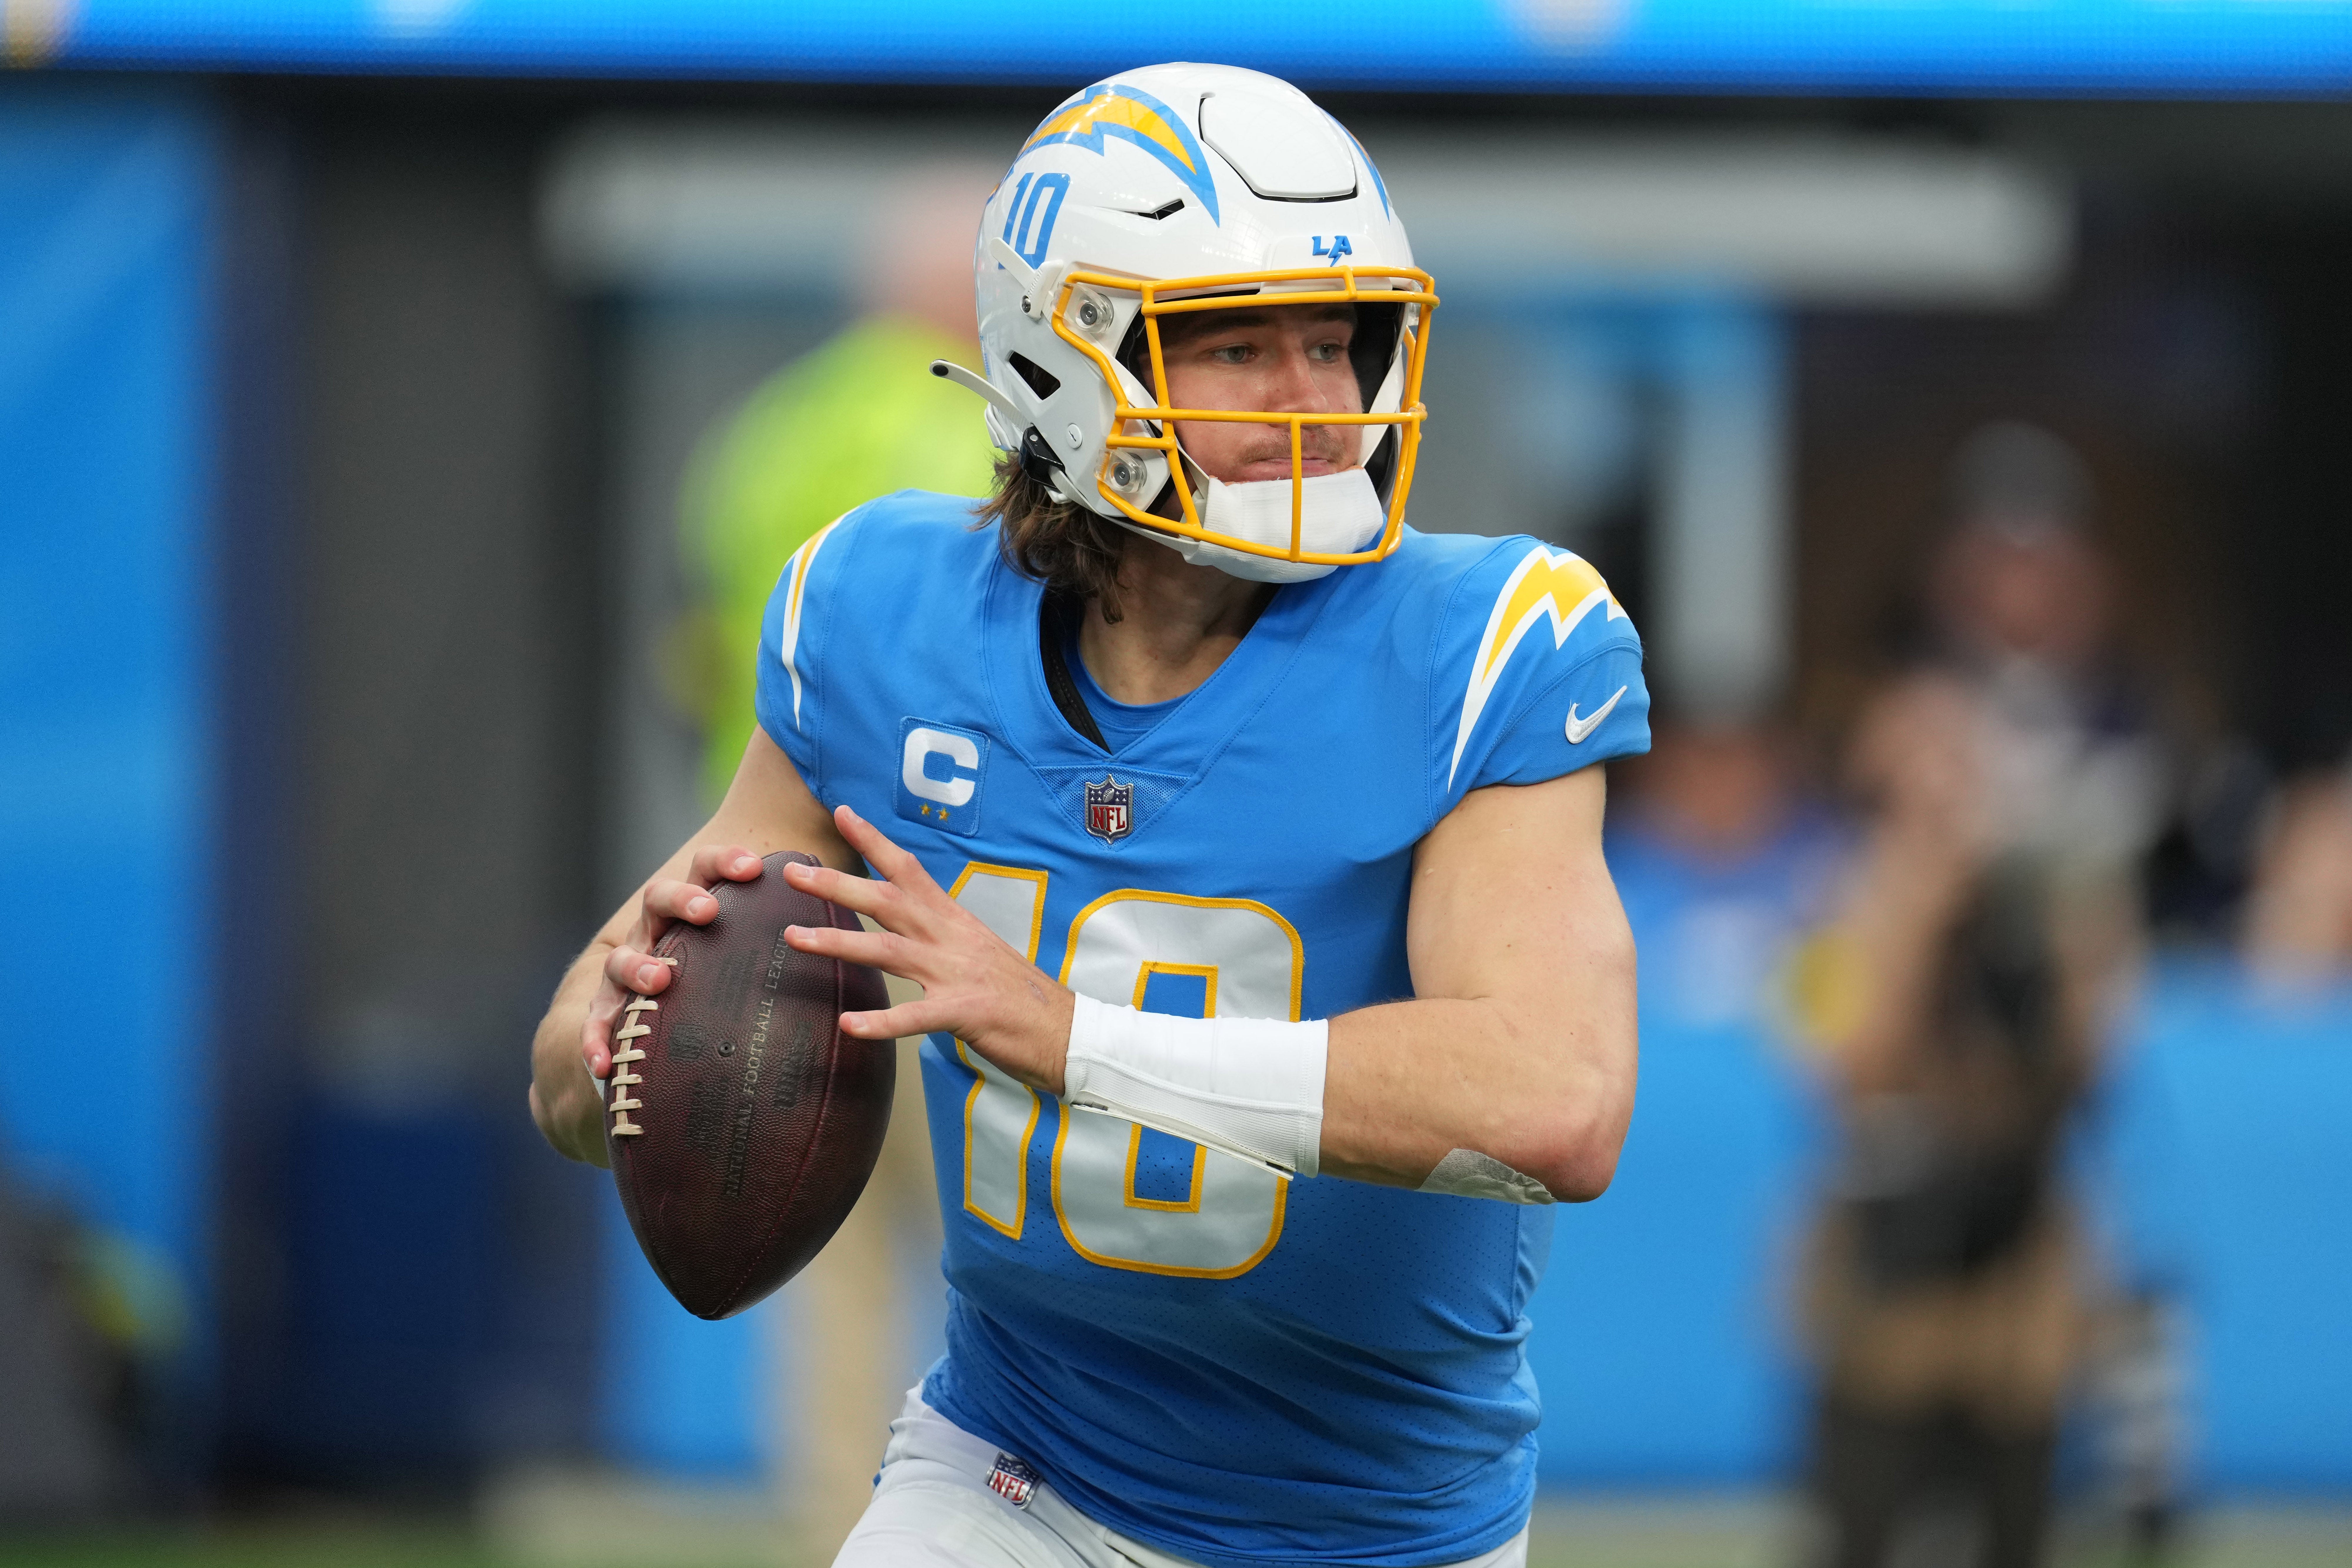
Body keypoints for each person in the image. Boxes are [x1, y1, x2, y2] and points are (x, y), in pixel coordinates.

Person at [530, 63, 1650, 1567]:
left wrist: (1073, 1037)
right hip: (1018, 1469)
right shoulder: (879, 614)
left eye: (1341, 340)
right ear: (1066, 356)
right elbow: (575, 1077)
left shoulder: (1485, 641)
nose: (1314, 402)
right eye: (1239, 349)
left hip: (1378, 1525)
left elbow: (1556, 1099)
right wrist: (611, 1034)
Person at [675, 168, 999, 1551]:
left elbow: (691, 650)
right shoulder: (967, 434)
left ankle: (832, 1526)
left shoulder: (759, 433)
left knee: (818, 1244)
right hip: (926, 888)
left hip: (751, 891)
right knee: (1003, 1241)